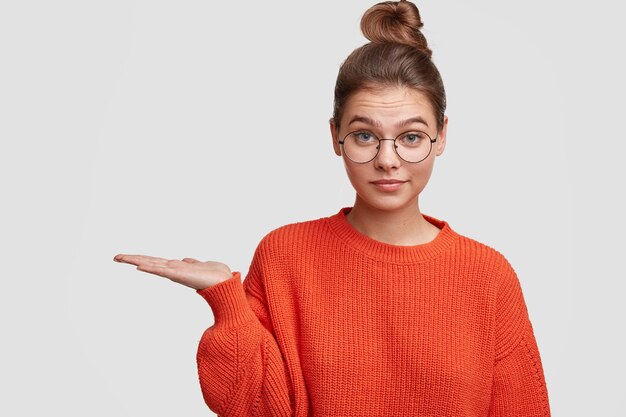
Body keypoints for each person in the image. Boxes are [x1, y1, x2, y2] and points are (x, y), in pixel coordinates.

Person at [113, 1, 552, 415]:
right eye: (364, 135)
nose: (387, 158)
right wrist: (224, 299)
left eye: (412, 137)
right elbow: (252, 405)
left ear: (441, 137)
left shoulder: (489, 276)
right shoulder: (286, 255)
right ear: (334, 136)